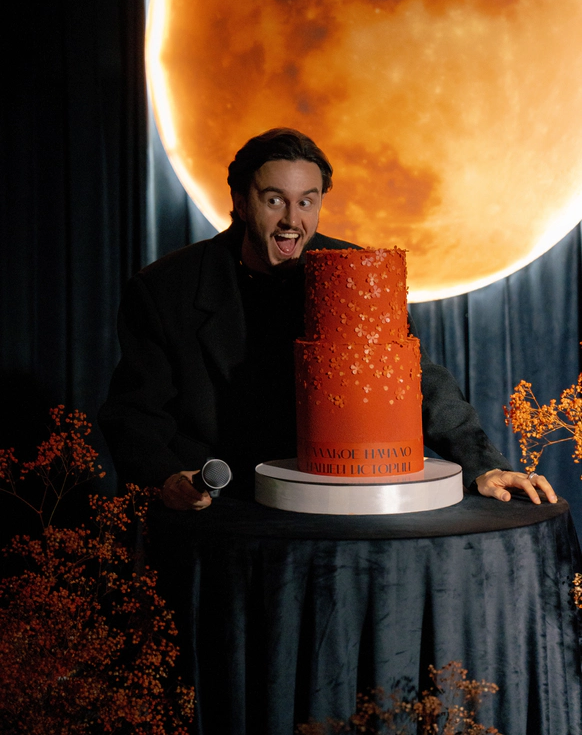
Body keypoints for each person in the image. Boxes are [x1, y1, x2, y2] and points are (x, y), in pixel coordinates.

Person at [99, 128, 557, 510]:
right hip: (223, 508)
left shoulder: (354, 272)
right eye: (274, 200)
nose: (291, 220)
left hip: (328, 500)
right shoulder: (165, 288)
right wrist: (166, 479)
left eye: (306, 202)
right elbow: (135, 412)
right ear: (239, 200)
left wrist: (483, 466)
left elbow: (413, 379)